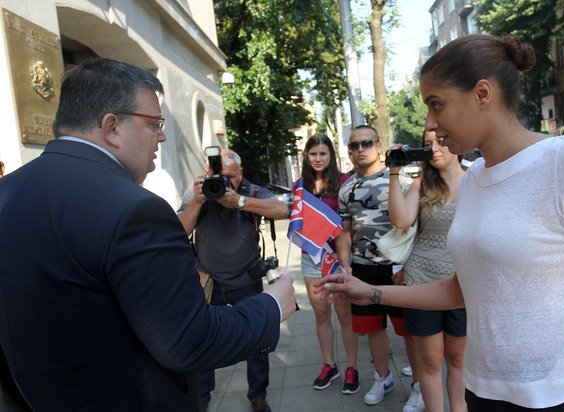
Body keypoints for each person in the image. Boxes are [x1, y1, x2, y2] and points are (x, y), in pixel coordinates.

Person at [315, 34, 564, 411]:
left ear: (482, 94)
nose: (430, 123)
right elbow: (465, 289)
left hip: (562, 393)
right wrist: (370, 292)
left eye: (436, 105)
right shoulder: (474, 180)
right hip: (482, 391)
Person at [0, 58, 297, 412]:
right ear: (111, 127)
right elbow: (189, 341)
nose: (162, 135)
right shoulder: (135, 210)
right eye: (154, 123)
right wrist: (273, 305)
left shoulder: (8, 192)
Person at [177, 149, 289, 412]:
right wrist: (197, 201)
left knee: (258, 339)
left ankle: (258, 395)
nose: (224, 182)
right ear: (207, 174)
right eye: (218, 176)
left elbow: (282, 209)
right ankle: (202, 399)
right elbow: (178, 230)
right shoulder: (197, 193)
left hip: (247, 279)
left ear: (241, 174)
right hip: (209, 282)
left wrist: (239, 201)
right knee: (204, 342)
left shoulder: (250, 191)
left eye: (230, 176)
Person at [336, 125, 423, 408]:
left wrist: (407, 266)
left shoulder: (398, 181)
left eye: (366, 143)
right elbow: (346, 232)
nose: (360, 149)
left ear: (378, 145)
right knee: (372, 328)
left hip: (396, 269)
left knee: (408, 331)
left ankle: (419, 386)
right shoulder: (346, 188)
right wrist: (345, 264)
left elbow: (414, 227)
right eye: (354, 145)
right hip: (363, 269)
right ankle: (382, 377)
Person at [388, 131, 467, 412]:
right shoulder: (422, 185)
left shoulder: (476, 180)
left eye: (440, 142)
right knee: (431, 363)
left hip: (463, 287)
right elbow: (400, 219)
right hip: (422, 284)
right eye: (427, 145)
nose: (434, 150)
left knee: (458, 361)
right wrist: (394, 173)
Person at [291, 134, 359, 393]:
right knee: (321, 314)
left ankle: (352, 367)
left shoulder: (344, 183)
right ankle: (329, 365)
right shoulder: (300, 185)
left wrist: (346, 262)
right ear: (307, 157)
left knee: (345, 316)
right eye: (313, 154)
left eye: (323, 154)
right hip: (312, 258)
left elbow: (349, 225)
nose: (318, 158)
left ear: (331, 156)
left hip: (339, 259)